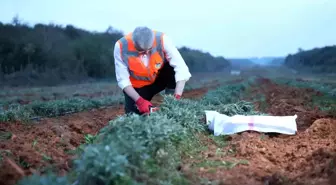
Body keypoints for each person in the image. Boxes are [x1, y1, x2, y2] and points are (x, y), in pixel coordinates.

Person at [113, 26, 192, 115]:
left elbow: (181, 68)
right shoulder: (120, 46)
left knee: (172, 68)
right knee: (133, 116)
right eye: (141, 51)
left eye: (149, 50)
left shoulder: (162, 39)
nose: (146, 53)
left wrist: (177, 96)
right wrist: (139, 101)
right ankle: (144, 104)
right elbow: (123, 80)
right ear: (134, 43)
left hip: (158, 80)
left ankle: (170, 103)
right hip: (137, 87)